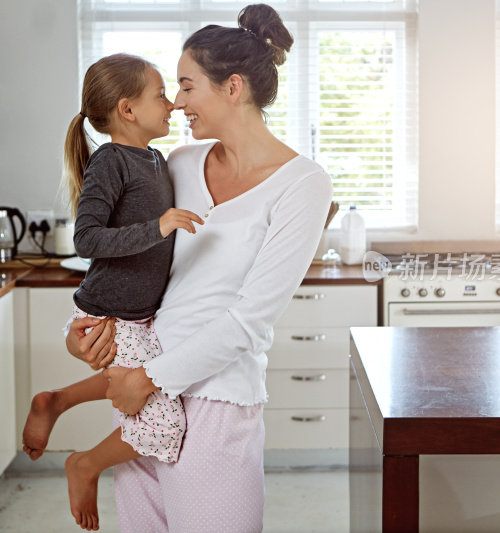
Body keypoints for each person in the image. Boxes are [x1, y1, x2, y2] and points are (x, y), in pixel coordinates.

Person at [65, 4, 334, 532]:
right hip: (141, 395)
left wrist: (150, 378)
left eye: (187, 87)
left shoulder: (303, 184)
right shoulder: (179, 163)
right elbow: (130, 259)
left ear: (232, 87)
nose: (177, 103)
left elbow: (250, 320)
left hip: (213, 397)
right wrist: (91, 334)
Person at [20, 53, 204, 532]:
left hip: (136, 313)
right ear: (127, 110)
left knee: (131, 385)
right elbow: (87, 239)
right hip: (111, 312)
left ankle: (55, 400)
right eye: (160, 94)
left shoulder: (154, 157)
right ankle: (85, 464)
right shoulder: (110, 160)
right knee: (164, 425)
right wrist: (158, 227)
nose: (171, 104)